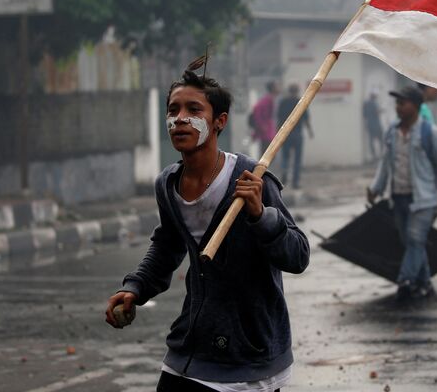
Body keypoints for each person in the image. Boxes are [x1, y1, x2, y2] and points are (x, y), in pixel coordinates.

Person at [105, 68, 309, 392]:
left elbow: (298, 255)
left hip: (250, 358)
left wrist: (260, 215)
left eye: (194, 110)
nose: (180, 119)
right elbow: (167, 245)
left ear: (220, 121)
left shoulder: (251, 180)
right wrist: (136, 287)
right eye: (173, 110)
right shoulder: (168, 184)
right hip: (191, 349)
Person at [366, 86, 437, 301]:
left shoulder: (431, 133)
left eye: (403, 103)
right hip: (399, 197)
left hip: (425, 200)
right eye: (397, 103)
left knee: (416, 238)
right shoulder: (391, 132)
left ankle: (405, 280)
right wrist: (376, 188)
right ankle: (425, 283)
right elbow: (385, 163)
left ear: (416, 106)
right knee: (410, 242)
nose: (398, 107)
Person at [277, 84, 313, 189]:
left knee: (285, 157)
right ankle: (295, 182)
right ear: (297, 91)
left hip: (286, 133)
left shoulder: (283, 102)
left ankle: (284, 175)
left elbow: (279, 118)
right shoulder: (301, 102)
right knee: (297, 159)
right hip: (297, 134)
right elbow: (306, 119)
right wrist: (310, 131)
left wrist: (278, 133)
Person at [251, 81, 280, 154]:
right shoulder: (268, 99)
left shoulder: (270, 98)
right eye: (277, 86)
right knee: (267, 153)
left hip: (267, 131)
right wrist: (263, 125)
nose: (279, 88)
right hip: (266, 132)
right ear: (273, 88)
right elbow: (257, 109)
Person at [362, 92, 384, 161]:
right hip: (376, 124)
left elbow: (364, 115)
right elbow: (377, 111)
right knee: (381, 139)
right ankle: (381, 154)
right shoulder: (374, 103)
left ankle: (373, 155)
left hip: (369, 124)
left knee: (371, 140)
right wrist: (382, 110)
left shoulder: (366, 104)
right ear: (374, 97)